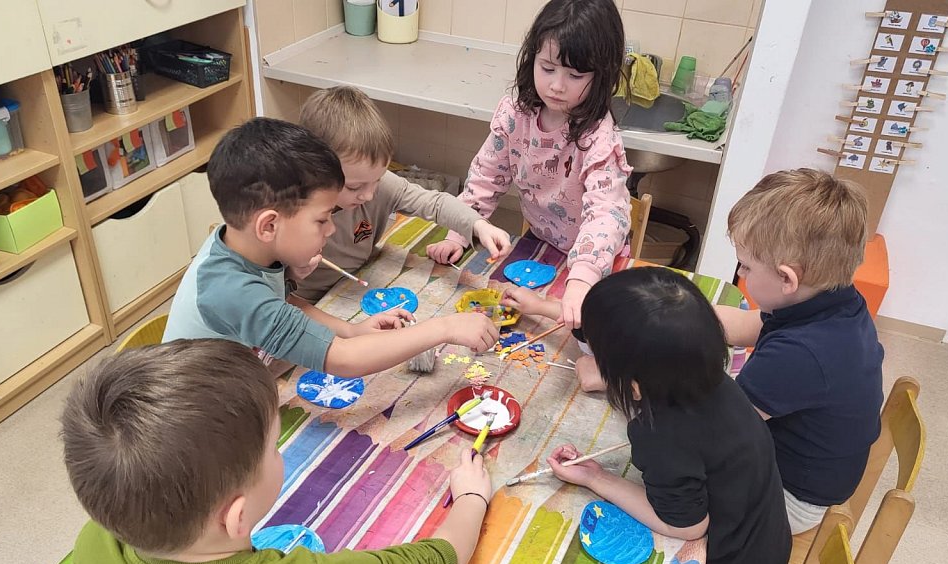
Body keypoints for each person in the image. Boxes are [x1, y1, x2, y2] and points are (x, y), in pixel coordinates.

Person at [61, 339, 492, 564]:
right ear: (236, 518)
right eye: (273, 447)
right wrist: (472, 498)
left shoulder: (95, 537)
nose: (280, 449)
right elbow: (433, 563)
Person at [163, 118, 498, 377]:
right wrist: (444, 328)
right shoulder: (231, 290)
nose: (332, 228)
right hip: (202, 421)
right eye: (322, 219)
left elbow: (280, 302)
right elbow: (343, 360)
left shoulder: (247, 247)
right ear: (268, 226)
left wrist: (351, 330)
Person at [520, 268, 790, 564]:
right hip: (768, 544)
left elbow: (688, 527)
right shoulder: (712, 379)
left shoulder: (660, 434)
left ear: (634, 386)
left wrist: (597, 479)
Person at [427, 0, 633, 387]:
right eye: (547, 67)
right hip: (542, 247)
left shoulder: (598, 136)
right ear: (531, 58)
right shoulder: (516, 114)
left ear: (602, 75)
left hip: (593, 262)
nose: (556, 85)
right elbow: (486, 176)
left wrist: (582, 279)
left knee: (591, 346)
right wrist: (459, 230)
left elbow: (606, 215)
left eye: (575, 75)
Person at [714, 168, 884, 534]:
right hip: (804, 467)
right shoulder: (830, 301)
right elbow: (743, 325)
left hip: (790, 500)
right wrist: (677, 316)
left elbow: (714, 429)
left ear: (787, 278)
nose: (740, 272)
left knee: (665, 480)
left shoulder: (800, 354)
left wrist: (627, 379)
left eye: (746, 266)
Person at [292, 86, 512, 303]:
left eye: (377, 180)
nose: (368, 195)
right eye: (354, 187)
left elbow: (434, 203)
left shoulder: (377, 186)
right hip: (306, 303)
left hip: (356, 286)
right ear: (316, 172)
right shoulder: (289, 211)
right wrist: (290, 274)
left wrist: (478, 225)